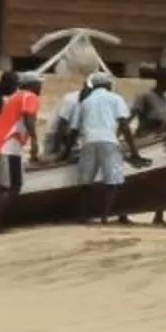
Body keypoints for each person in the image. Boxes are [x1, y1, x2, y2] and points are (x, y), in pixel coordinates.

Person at [0, 71, 44, 235]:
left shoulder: (15, 97)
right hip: (8, 147)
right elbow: (29, 117)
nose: (41, 86)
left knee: (3, 186)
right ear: (31, 85)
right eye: (39, 83)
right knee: (13, 186)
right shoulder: (30, 96)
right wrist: (35, 142)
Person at [69, 70, 131, 225]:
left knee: (85, 182)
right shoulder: (116, 98)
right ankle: (104, 216)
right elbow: (124, 124)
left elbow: (74, 129)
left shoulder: (84, 102)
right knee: (112, 181)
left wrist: (67, 150)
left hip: (88, 141)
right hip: (109, 141)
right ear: (108, 84)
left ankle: (83, 216)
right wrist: (134, 149)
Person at [125, 70, 166, 226]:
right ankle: (123, 213)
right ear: (160, 81)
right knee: (134, 178)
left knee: (161, 179)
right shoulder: (144, 97)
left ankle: (159, 214)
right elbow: (130, 117)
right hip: (144, 141)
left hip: (162, 142)